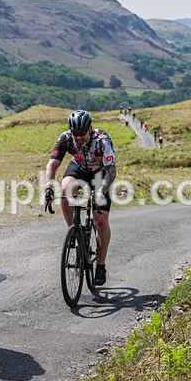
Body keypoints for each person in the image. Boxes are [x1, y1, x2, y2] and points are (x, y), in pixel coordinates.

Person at [44, 110, 116, 286]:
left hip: (100, 173)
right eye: (75, 134)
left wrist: (101, 191)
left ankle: (101, 264)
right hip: (79, 168)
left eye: (82, 134)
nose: (78, 138)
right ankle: (73, 231)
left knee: (100, 221)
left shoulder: (102, 139)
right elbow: (52, 165)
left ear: (90, 129)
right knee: (65, 188)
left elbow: (111, 171)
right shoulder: (66, 138)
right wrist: (48, 188)